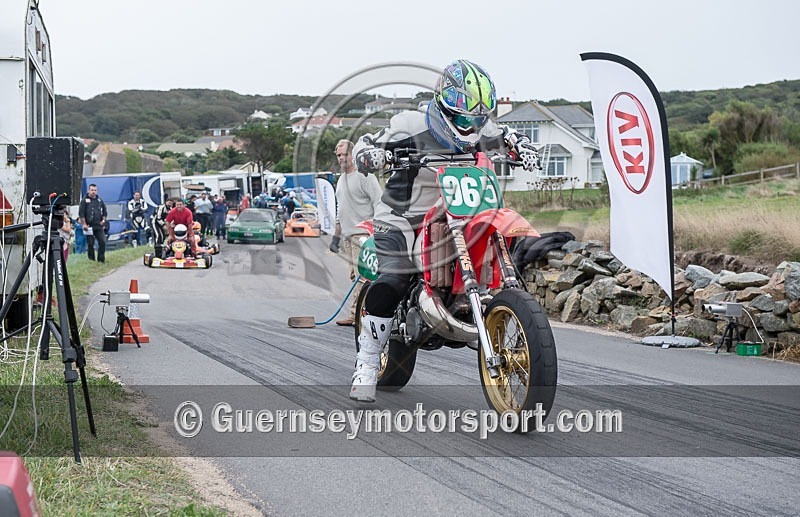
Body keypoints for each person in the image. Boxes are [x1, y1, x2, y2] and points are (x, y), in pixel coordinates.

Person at [348, 59, 540, 402]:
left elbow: (509, 136)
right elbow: (364, 143)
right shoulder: (407, 124)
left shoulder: (485, 131)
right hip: (404, 216)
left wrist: (523, 146)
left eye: (478, 119)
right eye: (465, 118)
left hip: (462, 212)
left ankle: (491, 301)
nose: (472, 126)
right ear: (445, 107)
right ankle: (365, 364)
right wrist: (371, 156)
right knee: (393, 278)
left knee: (498, 239)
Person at [330, 139, 382, 327]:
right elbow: (340, 209)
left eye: (345, 154)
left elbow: (379, 203)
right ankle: (363, 311)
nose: (342, 158)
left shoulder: (364, 176)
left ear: (353, 154)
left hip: (363, 235)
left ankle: (356, 314)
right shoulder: (341, 179)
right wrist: (336, 236)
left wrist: (376, 233)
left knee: (362, 276)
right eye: (339, 155)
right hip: (348, 236)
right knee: (355, 276)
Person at [78, 183, 108, 262]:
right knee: (90, 244)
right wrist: (84, 224)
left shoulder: (99, 200)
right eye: (92, 190)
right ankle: (91, 260)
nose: (93, 192)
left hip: (98, 225)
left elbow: (104, 212)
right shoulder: (84, 201)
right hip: (89, 226)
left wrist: (103, 220)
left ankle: (101, 260)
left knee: (102, 242)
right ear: (89, 190)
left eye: (95, 190)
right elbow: (81, 213)